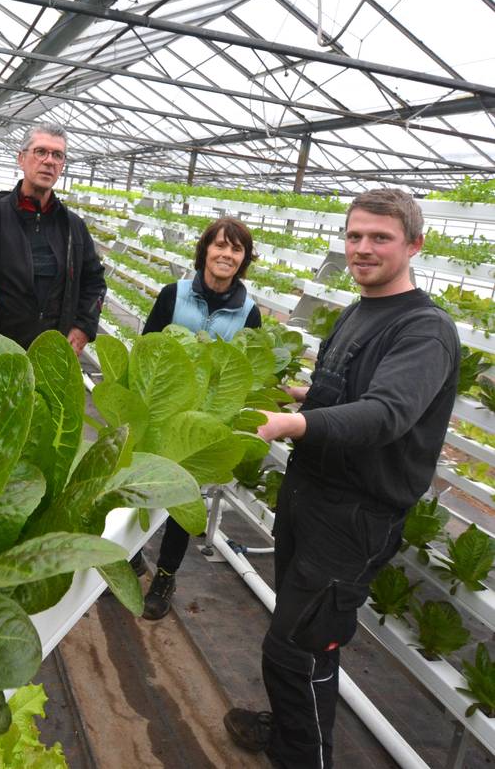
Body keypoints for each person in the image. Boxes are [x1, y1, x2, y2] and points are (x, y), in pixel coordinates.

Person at [224, 188, 460, 769]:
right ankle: (291, 732)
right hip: (311, 494)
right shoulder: (360, 311)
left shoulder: (424, 329)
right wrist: (302, 394)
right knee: (306, 638)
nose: (363, 248)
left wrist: (291, 423)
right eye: (354, 235)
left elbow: (385, 414)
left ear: (415, 245)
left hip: (354, 516)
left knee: (295, 648)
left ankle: (302, 756)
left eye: (380, 237)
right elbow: (351, 392)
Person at [137, 216, 262, 620]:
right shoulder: (173, 295)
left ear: (244, 260)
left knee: (183, 499)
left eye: (236, 249)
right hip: (160, 410)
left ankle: (165, 575)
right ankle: (129, 555)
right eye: (220, 245)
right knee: (139, 483)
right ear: (205, 250)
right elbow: (147, 348)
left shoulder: (249, 313)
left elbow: (246, 373)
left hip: (201, 423)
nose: (227, 254)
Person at [0, 121, 106, 353]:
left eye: (57, 155)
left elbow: (95, 282)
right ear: (21, 158)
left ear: (62, 165)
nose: (49, 161)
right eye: (40, 152)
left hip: (47, 358)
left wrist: (84, 325)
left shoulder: (74, 228)